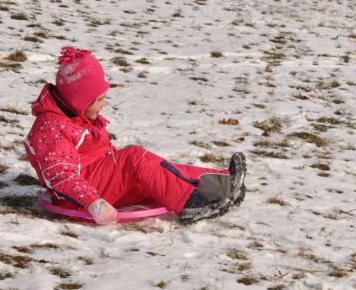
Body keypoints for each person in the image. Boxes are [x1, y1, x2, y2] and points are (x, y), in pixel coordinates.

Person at [24, 47, 247, 225]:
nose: (105, 104)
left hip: (101, 179)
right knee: (134, 158)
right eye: (99, 99)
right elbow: (61, 176)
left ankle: (224, 183)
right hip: (82, 195)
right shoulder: (51, 127)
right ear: (80, 101)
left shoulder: (77, 116)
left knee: (157, 170)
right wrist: (93, 202)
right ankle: (190, 206)